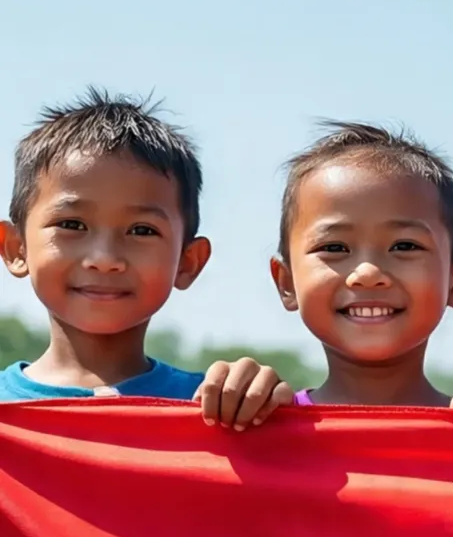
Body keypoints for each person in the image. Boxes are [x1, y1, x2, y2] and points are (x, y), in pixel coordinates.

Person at [0, 89, 292, 428]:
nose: (104, 259)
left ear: (188, 261)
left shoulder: (218, 409)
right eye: (71, 225)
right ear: (16, 248)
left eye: (141, 230)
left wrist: (268, 413)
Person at [272, 121, 453, 443]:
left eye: (404, 246)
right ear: (286, 282)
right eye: (334, 248)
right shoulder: (259, 428)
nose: (368, 273)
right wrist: (227, 409)